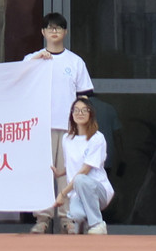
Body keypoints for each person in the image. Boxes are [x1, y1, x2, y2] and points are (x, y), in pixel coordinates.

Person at [26, 12, 94, 233]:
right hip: (40, 126)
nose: (54, 31)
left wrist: (82, 126)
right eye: (50, 27)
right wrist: (35, 61)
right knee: (42, 173)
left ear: (65, 32)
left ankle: (68, 218)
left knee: (68, 173)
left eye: (58, 28)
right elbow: (18, 79)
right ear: (43, 32)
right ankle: (42, 218)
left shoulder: (75, 61)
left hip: (69, 127)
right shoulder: (32, 59)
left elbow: (83, 96)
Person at [55, 97, 112, 235]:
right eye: (76, 110)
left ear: (90, 114)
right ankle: (85, 227)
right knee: (77, 215)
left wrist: (63, 193)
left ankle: (98, 224)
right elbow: (73, 166)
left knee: (80, 179)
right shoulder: (67, 139)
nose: (79, 113)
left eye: (84, 110)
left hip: (99, 189)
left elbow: (85, 170)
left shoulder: (97, 138)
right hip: (77, 192)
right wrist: (60, 173)